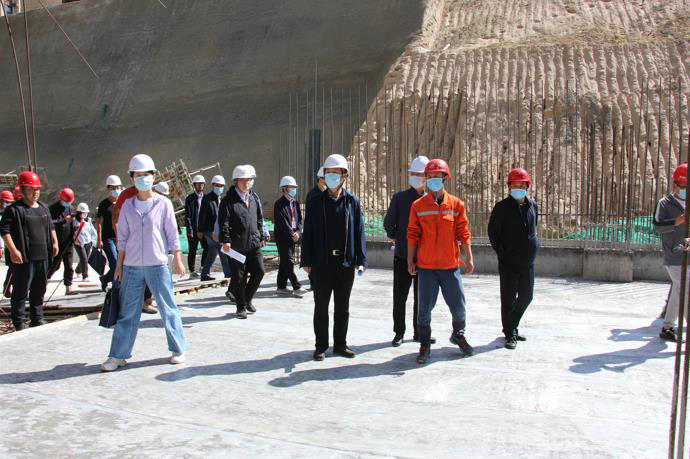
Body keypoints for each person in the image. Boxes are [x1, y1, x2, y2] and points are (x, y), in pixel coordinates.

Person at [101, 154, 187, 372]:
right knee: (127, 312)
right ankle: (117, 356)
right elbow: (122, 238)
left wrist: (177, 259)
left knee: (168, 308)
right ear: (131, 178)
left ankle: (178, 349)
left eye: (146, 174)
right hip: (131, 267)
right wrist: (118, 266)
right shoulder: (128, 206)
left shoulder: (163, 204)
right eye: (137, 175)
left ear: (153, 176)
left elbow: (172, 233)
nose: (142, 178)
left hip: (157, 265)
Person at [407, 158, 474, 364]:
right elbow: (413, 234)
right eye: (431, 176)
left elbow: (463, 232)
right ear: (426, 179)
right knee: (424, 309)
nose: (434, 179)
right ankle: (425, 344)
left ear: (445, 178)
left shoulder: (456, 204)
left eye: (438, 176)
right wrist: (410, 259)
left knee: (458, 306)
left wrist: (468, 257)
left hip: (450, 267)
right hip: (427, 267)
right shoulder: (418, 205)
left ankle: (458, 335)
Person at [301, 154, 367, 361]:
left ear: (344, 176)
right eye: (328, 173)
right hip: (322, 263)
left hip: (345, 263)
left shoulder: (352, 202)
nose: (331, 177)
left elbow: (359, 231)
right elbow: (308, 231)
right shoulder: (315, 202)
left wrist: (361, 259)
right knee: (321, 307)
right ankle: (321, 345)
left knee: (342, 308)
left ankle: (340, 344)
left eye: (335, 173)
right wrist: (306, 260)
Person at [488, 168, 539, 350]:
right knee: (508, 299)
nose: (518, 187)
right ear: (509, 186)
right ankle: (510, 333)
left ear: (527, 186)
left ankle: (512, 325)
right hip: (508, 262)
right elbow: (493, 233)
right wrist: (502, 253)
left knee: (527, 296)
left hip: (528, 261)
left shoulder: (533, 206)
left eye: (522, 185)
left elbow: (533, 227)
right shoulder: (501, 208)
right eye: (515, 184)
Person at [0, 171, 59, 331]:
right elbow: (4, 231)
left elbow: (51, 226)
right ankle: (19, 322)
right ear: (23, 189)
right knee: (20, 291)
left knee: (39, 290)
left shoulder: (43, 208)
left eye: (37, 189)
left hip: (43, 257)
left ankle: (37, 318)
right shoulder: (14, 210)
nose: (36, 192)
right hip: (24, 258)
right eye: (32, 189)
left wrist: (55, 242)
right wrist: (13, 250)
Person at [384, 155, 430, 347]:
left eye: (420, 174)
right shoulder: (400, 198)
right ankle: (399, 332)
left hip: (425, 259)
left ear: (427, 177)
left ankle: (420, 332)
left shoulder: (431, 200)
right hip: (403, 256)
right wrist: (400, 238)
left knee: (423, 299)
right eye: (413, 173)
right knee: (400, 297)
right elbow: (388, 224)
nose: (416, 177)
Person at [219, 165, 266, 319]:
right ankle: (241, 307)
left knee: (259, 271)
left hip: (253, 243)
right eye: (243, 180)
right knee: (239, 277)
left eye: (249, 180)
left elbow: (259, 218)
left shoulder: (253, 198)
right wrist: (226, 240)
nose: (247, 182)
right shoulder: (228, 201)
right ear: (236, 181)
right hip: (236, 246)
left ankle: (247, 299)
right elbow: (224, 222)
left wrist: (260, 235)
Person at [653, 163, 688, 342]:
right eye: (682, 186)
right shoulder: (665, 203)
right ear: (675, 184)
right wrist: (677, 221)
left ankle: (667, 327)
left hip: (688, 255)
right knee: (686, 289)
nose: (685, 190)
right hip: (674, 255)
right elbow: (657, 226)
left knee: (678, 290)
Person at [274, 176, 307, 297]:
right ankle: (296, 286)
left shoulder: (295, 203)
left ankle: (281, 286)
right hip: (283, 237)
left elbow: (300, 220)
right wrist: (292, 234)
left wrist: (298, 231)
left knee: (284, 261)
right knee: (288, 261)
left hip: (294, 236)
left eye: (294, 187)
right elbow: (282, 222)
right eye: (291, 187)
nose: (294, 189)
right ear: (284, 189)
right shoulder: (279, 204)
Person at [198, 175, 231, 282]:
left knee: (212, 252)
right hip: (209, 230)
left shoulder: (220, 199)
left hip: (217, 230)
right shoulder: (207, 198)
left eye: (221, 186)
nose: (219, 187)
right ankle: (228, 272)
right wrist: (200, 230)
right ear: (212, 185)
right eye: (217, 185)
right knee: (222, 249)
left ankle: (205, 274)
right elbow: (202, 214)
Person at [49, 188, 77, 295]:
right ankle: (43, 283)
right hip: (57, 242)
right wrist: (63, 220)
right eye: (66, 202)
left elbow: (72, 223)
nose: (68, 204)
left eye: (70, 202)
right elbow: (50, 224)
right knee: (54, 265)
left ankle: (68, 287)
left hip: (68, 241)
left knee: (69, 266)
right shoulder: (52, 208)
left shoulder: (71, 208)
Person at [97, 175, 123, 291]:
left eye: (118, 187)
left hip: (121, 238)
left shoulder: (122, 203)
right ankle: (115, 287)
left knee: (121, 264)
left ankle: (105, 279)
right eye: (113, 188)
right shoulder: (103, 204)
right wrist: (99, 239)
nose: (116, 190)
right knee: (115, 263)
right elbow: (99, 222)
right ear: (108, 189)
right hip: (108, 239)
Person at [184, 175, 208, 278]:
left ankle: (203, 267)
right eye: (198, 184)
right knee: (192, 250)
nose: (200, 185)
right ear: (194, 185)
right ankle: (192, 271)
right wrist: (190, 229)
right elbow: (188, 215)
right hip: (193, 230)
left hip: (204, 230)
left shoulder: (206, 198)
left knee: (207, 247)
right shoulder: (190, 199)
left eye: (202, 183)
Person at [73, 202, 98, 282]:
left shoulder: (88, 221)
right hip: (79, 243)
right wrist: (74, 239)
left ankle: (78, 270)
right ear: (79, 212)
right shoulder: (74, 221)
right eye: (83, 213)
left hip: (88, 242)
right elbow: (71, 232)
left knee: (85, 258)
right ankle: (85, 276)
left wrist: (94, 241)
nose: (85, 214)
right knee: (84, 258)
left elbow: (92, 231)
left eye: (86, 213)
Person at [1, 189, 15, 298]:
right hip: (6, 245)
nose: (8, 204)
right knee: (13, 267)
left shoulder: (12, 211)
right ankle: (7, 285)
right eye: (6, 201)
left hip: (14, 243)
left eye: (10, 202)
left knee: (15, 268)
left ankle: (11, 286)